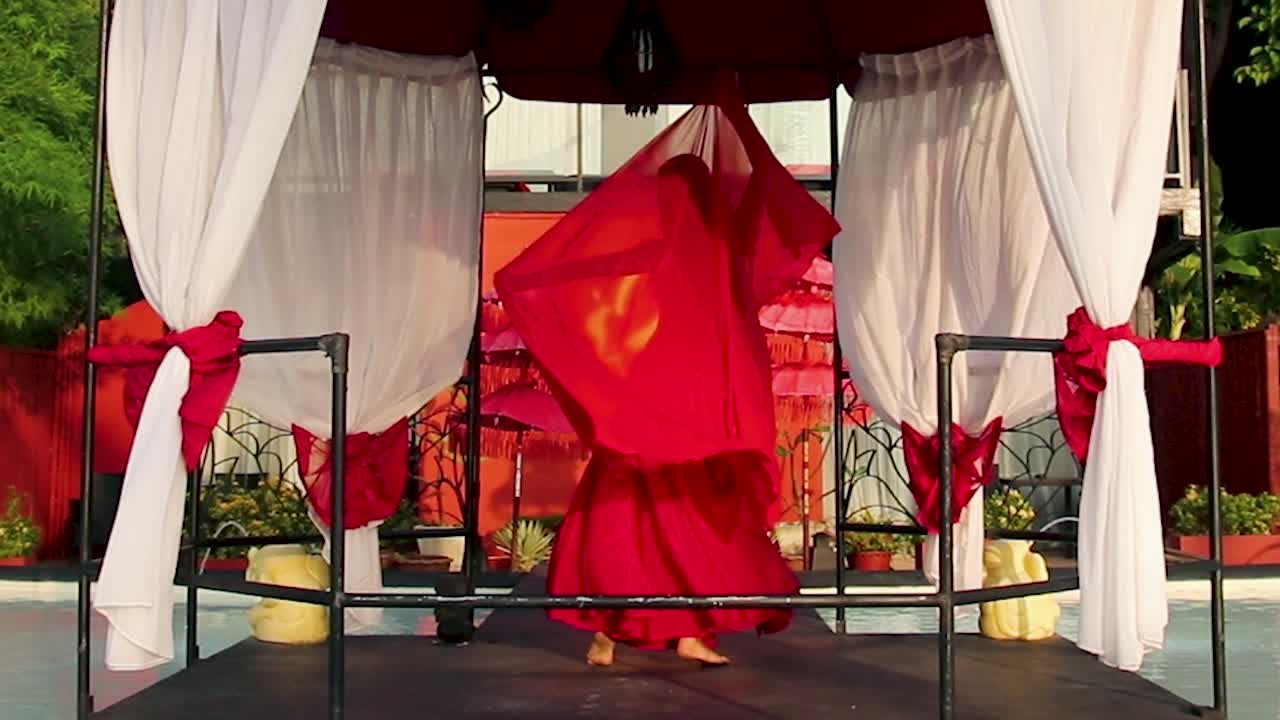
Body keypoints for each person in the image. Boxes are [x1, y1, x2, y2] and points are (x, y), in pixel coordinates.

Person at [494, 103, 837, 667]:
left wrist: (531, 281)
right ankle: (672, 631)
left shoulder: (697, 247)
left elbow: (586, 269)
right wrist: (738, 121)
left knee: (641, 504)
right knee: (682, 504)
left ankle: (636, 630)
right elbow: (771, 197)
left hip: (677, 379)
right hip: (698, 381)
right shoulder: (726, 246)